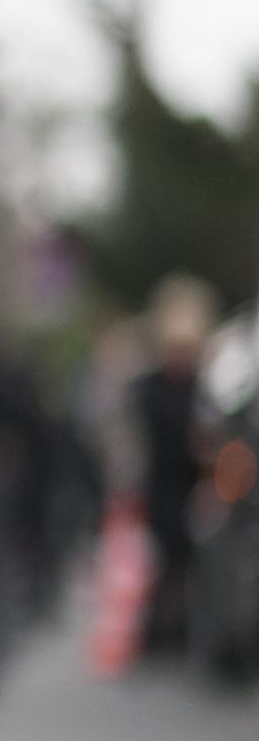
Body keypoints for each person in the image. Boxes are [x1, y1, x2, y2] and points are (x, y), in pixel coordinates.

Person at [126, 274, 219, 659]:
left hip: (195, 483)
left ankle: (182, 631)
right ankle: (157, 635)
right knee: (164, 560)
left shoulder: (204, 387)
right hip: (162, 484)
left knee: (190, 561)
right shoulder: (148, 388)